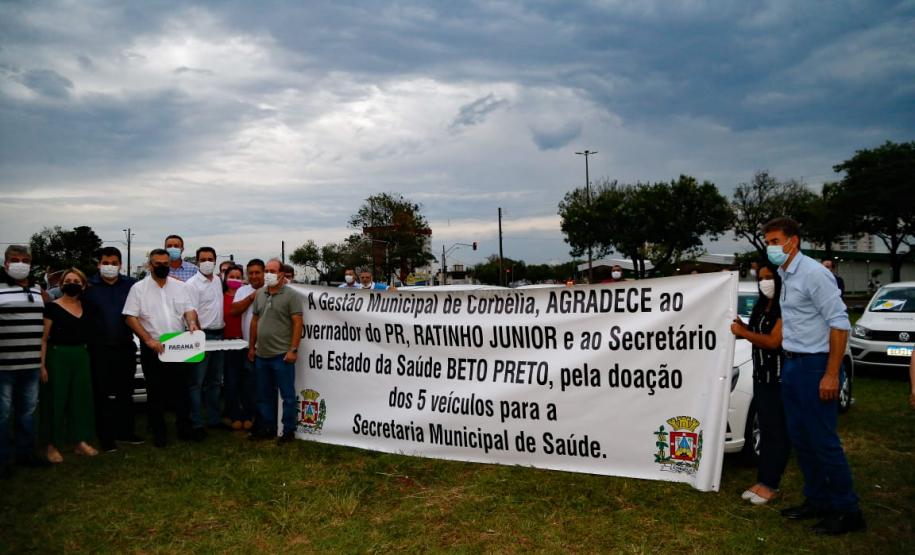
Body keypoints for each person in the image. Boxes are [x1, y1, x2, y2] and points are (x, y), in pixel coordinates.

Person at [762, 217, 864, 535]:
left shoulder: (815, 274)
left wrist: (832, 374)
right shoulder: (785, 274)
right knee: (801, 439)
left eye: (776, 241)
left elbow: (839, 323)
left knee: (822, 441)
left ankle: (848, 511)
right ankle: (818, 500)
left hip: (814, 365)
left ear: (795, 241)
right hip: (792, 364)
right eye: (768, 241)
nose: (771, 248)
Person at [123, 249, 200, 447]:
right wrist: (147, 339)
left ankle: (184, 429)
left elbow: (189, 310)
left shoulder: (180, 287)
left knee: (182, 391)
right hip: (153, 347)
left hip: (178, 345)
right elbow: (130, 317)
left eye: (165, 263)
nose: (162, 267)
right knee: (155, 392)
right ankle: (159, 432)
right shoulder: (138, 288)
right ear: (150, 264)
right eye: (158, 263)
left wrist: (191, 322)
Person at [730, 263, 789, 505]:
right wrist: (740, 327)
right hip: (761, 377)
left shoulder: (785, 306)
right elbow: (753, 332)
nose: (765, 282)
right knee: (765, 430)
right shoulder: (761, 305)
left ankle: (771, 484)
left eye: (770, 277)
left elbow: (774, 341)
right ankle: (763, 480)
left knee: (777, 433)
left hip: (779, 378)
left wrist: (744, 333)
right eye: (761, 278)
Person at [82, 247, 141, 452]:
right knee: (102, 393)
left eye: (114, 263)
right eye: (106, 263)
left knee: (126, 391)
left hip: (125, 346)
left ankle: (125, 431)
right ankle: (105, 436)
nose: (110, 266)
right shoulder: (88, 286)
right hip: (99, 349)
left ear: (120, 265)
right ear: (99, 264)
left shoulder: (131, 285)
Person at [39, 268, 97, 463]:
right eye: (68, 280)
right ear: (62, 284)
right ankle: (51, 444)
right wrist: (42, 365)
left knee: (81, 399)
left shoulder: (87, 306)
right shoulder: (52, 307)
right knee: (55, 400)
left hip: (80, 355)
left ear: (82, 285)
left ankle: (79, 441)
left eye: (76, 280)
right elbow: (44, 338)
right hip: (58, 356)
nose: (72, 283)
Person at [0, 245, 48, 477]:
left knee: (27, 412)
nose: (20, 263)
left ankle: (25, 454)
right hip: (4, 364)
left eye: (25, 260)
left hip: (30, 363)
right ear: (6, 263)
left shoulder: (38, 291)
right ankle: (3, 459)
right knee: (3, 413)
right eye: (15, 259)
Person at [247, 259, 302, 443]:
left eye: (272, 270)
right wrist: (251, 347)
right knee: (263, 395)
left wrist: (293, 349)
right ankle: (267, 427)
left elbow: (297, 323)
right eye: (267, 270)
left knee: (287, 395)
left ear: (281, 273)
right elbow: (254, 321)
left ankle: (288, 430)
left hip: (282, 355)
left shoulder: (291, 295)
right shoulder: (260, 294)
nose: (269, 273)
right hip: (261, 355)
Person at [186, 247, 225, 438]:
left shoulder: (218, 280)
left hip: (219, 335)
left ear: (216, 260)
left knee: (215, 381)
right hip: (202, 335)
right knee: (196, 382)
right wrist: (196, 326)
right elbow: (191, 309)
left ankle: (214, 419)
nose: (207, 262)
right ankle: (196, 423)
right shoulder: (192, 284)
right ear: (197, 261)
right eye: (203, 259)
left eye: (210, 259)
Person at [231, 259, 265, 433]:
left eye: (257, 272)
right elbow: (235, 311)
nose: (254, 276)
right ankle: (250, 416)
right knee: (249, 385)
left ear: (264, 272)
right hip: (248, 346)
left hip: (269, 347)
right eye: (250, 273)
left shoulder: (272, 289)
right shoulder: (242, 290)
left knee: (265, 385)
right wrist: (252, 296)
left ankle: (264, 419)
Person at [223, 265, 253, 430]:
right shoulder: (220, 297)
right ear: (225, 278)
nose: (234, 279)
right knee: (231, 381)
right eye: (231, 276)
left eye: (238, 276)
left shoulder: (247, 293)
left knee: (248, 381)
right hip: (228, 344)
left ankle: (248, 414)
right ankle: (233, 414)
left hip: (246, 342)